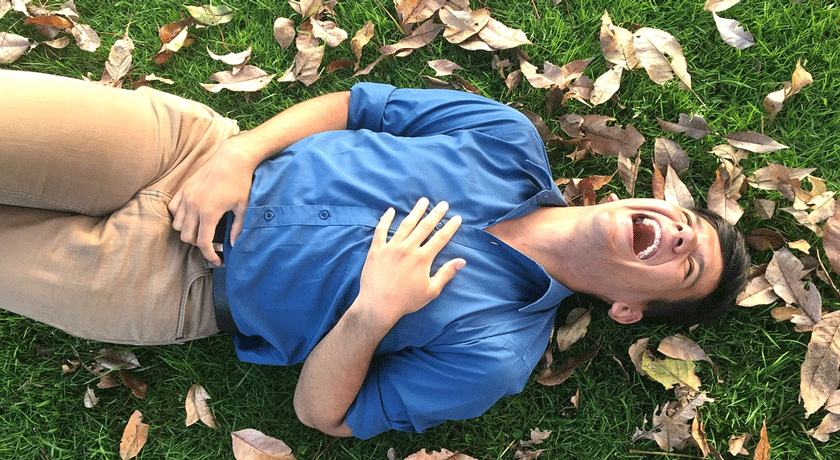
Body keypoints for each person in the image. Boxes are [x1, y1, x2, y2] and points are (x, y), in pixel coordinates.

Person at [0, 69, 749, 438]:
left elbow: (324, 416)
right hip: (187, 151)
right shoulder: (507, 139)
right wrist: (241, 152)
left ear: (628, 308)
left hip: (174, 285)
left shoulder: (496, 353)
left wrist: (373, 313)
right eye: (688, 222)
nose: (681, 233)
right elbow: (355, 105)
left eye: (686, 264)